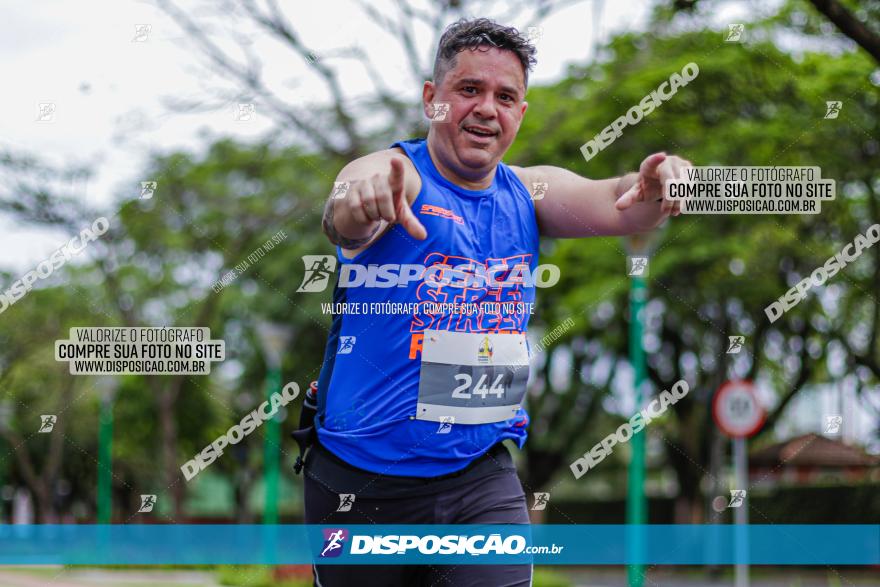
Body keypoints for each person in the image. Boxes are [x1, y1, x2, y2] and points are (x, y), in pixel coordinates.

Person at [303, 17, 690, 586]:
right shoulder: (401, 176)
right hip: (361, 482)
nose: (487, 108)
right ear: (432, 100)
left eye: (505, 96)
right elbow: (349, 204)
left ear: (521, 114)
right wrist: (359, 197)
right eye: (469, 90)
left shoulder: (528, 193)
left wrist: (659, 187)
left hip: (477, 477)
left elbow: (619, 200)